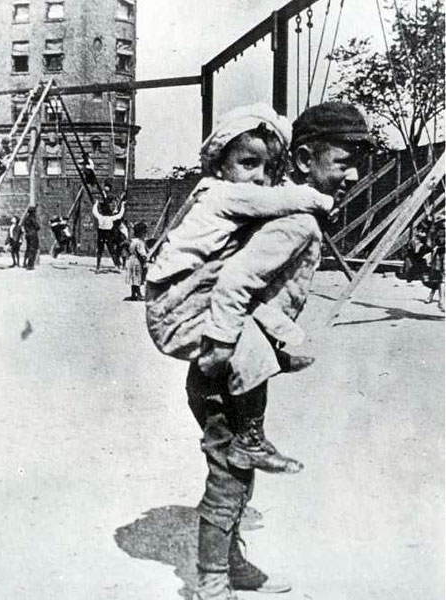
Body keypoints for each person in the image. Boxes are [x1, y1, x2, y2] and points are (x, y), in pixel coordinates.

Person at [146, 102, 372, 598]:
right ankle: (211, 580)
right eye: (344, 162)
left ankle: (231, 563)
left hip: (232, 349)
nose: (354, 175)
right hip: (221, 357)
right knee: (229, 472)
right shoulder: (289, 216)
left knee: (239, 470)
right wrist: (223, 345)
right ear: (307, 160)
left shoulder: (278, 207)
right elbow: (235, 284)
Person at [92, 196, 125, 273]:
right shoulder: (110, 218)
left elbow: (94, 211)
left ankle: (98, 267)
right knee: (111, 250)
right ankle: (117, 266)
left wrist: (96, 203)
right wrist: (123, 205)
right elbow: (120, 215)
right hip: (108, 235)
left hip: (101, 234)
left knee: (100, 251)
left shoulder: (100, 217)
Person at [424, 214, 445, 311]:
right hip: (442, 257)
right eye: (443, 222)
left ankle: (432, 296)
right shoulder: (439, 233)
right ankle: (441, 301)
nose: (444, 223)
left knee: (440, 279)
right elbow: (430, 244)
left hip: (440, 256)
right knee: (442, 279)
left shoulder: (437, 232)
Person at [126, 222, 148, 300]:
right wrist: (145, 261)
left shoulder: (132, 241)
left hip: (131, 260)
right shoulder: (140, 242)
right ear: (141, 233)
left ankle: (133, 295)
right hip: (137, 261)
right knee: (137, 277)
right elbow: (142, 253)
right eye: (145, 232)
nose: (145, 234)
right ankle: (139, 294)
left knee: (133, 278)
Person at [22, 206, 40, 270]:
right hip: (33, 235)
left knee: (28, 249)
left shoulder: (26, 218)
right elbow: (37, 226)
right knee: (33, 250)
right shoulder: (32, 218)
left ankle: (24, 262)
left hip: (28, 235)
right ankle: (30, 265)